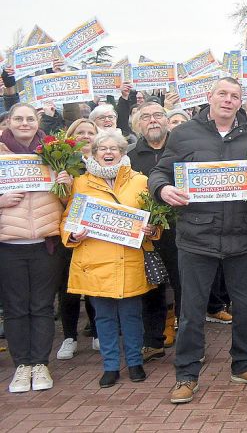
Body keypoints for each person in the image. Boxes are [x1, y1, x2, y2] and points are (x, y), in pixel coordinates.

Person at [149, 77, 247, 404]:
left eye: (235, 96)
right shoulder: (183, 134)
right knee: (191, 311)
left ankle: (245, 364)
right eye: (223, 94)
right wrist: (163, 190)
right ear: (210, 97)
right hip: (197, 236)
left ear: (240, 102)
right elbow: (160, 173)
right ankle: (186, 374)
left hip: (244, 236)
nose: (228, 100)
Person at [61, 131, 160, 387]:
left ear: (123, 153)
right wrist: (72, 234)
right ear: (93, 154)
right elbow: (67, 221)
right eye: (102, 148)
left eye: (114, 148)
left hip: (129, 259)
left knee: (131, 316)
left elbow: (155, 218)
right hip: (95, 261)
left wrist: (153, 230)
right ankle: (110, 365)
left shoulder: (140, 181)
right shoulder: (80, 183)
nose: (108, 152)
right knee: (103, 317)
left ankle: (136, 362)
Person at [0, 102, 73, 393]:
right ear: (9, 122)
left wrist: (66, 184)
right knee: (16, 308)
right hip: (9, 242)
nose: (25, 123)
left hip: (46, 242)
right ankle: (22, 366)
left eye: (30, 118)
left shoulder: (54, 152)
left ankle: (40, 364)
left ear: (37, 121)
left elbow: (68, 201)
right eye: (19, 118)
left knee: (43, 306)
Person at [128, 102, 181, 362]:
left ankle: (187, 341)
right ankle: (153, 341)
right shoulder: (130, 156)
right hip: (146, 231)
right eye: (146, 117)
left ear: (167, 121)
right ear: (138, 124)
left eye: (158, 115)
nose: (152, 121)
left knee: (184, 285)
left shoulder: (182, 149)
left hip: (181, 229)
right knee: (152, 286)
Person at [55, 119, 100, 360]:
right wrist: (65, 189)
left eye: (90, 132)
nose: (85, 136)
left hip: (94, 234)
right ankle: (69, 337)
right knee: (68, 287)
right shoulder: (60, 164)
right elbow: (58, 203)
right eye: (79, 132)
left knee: (93, 283)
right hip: (68, 232)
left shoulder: (101, 162)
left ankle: (96, 332)